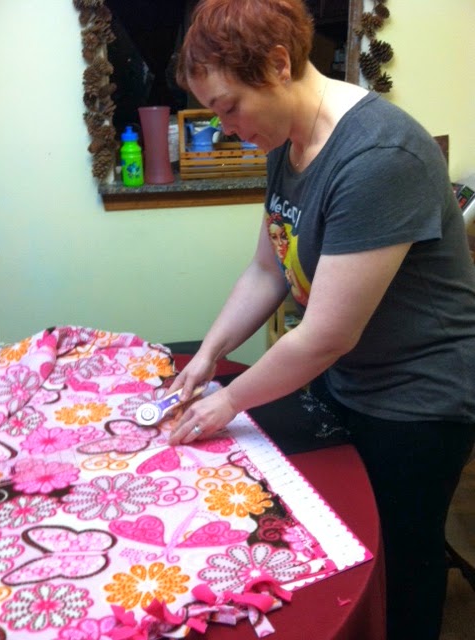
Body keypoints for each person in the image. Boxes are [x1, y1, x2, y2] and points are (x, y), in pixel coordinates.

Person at [167, 1, 475, 638]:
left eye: (229, 107)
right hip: (348, 375)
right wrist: (208, 356)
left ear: (279, 65)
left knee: (399, 555)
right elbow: (267, 270)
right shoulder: (287, 143)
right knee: (330, 530)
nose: (225, 128)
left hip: (421, 397)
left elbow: (328, 334)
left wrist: (228, 401)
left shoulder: (379, 157)